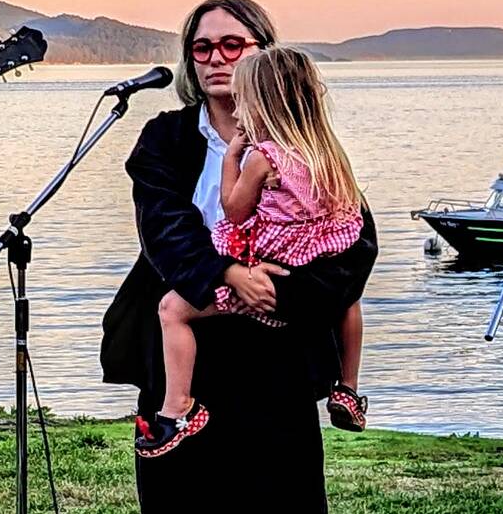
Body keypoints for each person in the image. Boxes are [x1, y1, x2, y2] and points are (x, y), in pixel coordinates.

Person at [100, 0, 377, 514]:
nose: (218, 58)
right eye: (203, 47)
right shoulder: (164, 139)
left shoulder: (306, 139)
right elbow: (163, 227)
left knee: (278, 493)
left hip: (277, 336)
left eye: (233, 44)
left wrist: (276, 293)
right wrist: (227, 274)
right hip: (190, 327)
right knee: (179, 490)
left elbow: (354, 237)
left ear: (264, 53)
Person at [144, 46, 369, 456]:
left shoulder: (263, 158)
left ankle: (178, 406)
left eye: (244, 98)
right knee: (350, 300)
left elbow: (234, 207)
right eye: (203, 48)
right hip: (308, 268)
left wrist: (233, 156)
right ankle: (349, 388)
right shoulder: (329, 155)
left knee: (172, 310)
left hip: (261, 270)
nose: (239, 108)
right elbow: (349, 218)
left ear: (263, 104)